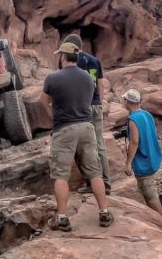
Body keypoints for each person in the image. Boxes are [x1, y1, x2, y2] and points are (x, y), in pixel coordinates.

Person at [41, 42, 114, 231]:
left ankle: (63, 218)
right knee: (94, 171)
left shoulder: (52, 78)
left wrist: (54, 117)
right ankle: (104, 212)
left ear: (62, 57)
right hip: (87, 126)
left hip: (64, 129)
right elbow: (91, 99)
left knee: (61, 175)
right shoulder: (88, 78)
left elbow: (44, 102)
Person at [61, 34, 112, 194]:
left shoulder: (72, 62)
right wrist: (101, 102)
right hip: (96, 105)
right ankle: (106, 183)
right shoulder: (94, 61)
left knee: (83, 148)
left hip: (81, 108)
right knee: (99, 145)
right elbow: (100, 84)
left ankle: (91, 183)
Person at [122, 89, 162, 217]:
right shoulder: (147, 114)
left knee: (150, 195)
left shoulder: (132, 119)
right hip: (152, 157)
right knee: (147, 190)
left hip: (143, 162)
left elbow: (134, 142)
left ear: (127, 102)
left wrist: (128, 163)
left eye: (124, 100)